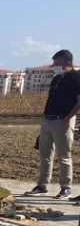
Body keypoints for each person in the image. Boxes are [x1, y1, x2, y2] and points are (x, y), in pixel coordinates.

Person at [25, 49, 80, 200]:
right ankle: (42, 185)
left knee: (64, 155)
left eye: (57, 64)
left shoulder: (76, 78)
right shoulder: (56, 79)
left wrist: (68, 118)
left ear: (67, 64)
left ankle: (65, 187)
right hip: (47, 120)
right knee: (45, 155)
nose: (55, 66)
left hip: (62, 120)